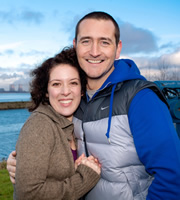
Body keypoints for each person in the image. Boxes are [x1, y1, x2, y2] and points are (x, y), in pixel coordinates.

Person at [7, 11, 180, 200]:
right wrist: (22, 162)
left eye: (104, 42)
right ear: (75, 46)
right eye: (86, 41)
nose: (95, 51)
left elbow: (171, 175)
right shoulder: (74, 101)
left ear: (118, 48)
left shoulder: (140, 98)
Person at [12, 47, 101, 200]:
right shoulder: (39, 126)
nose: (65, 91)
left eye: (73, 83)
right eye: (56, 84)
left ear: (81, 89)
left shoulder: (75, 124)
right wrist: (84, 178)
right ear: (46, 90)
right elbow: (28, 194)